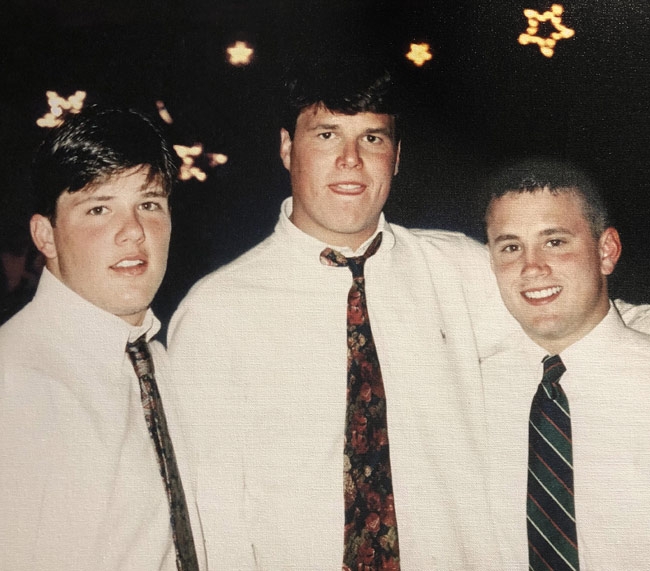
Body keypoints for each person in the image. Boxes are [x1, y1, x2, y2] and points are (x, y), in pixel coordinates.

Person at [168, 59, 509, 569]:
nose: (351, 159)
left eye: (372, 139)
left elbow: (581, 320)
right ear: (287, 148)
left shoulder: (461, 270)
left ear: (396, 157)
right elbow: (210, 515)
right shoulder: (218, 312)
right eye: (327, 135)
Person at [0, 107, 205, 570]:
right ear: (45, 236)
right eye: (98, 208)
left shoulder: (153, 357)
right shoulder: (18, 382)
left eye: (149, 204)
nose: (133, 231)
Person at [482, 159, 650, 568]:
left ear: (606, 251)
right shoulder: (470, 388)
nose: (532, 267)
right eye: (510, 247)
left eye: (555, 241)